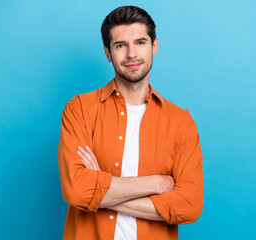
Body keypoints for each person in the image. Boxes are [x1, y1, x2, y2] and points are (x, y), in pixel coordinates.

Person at [57, 5, 204, 240]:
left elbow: (189, 205)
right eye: (120, 45)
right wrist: (156, 183)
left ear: (154, 46)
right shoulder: (80, 110)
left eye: (140, 42)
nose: (131, 54)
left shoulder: (180, 122)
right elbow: (76, 190)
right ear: (108, 53)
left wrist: (101, 188)